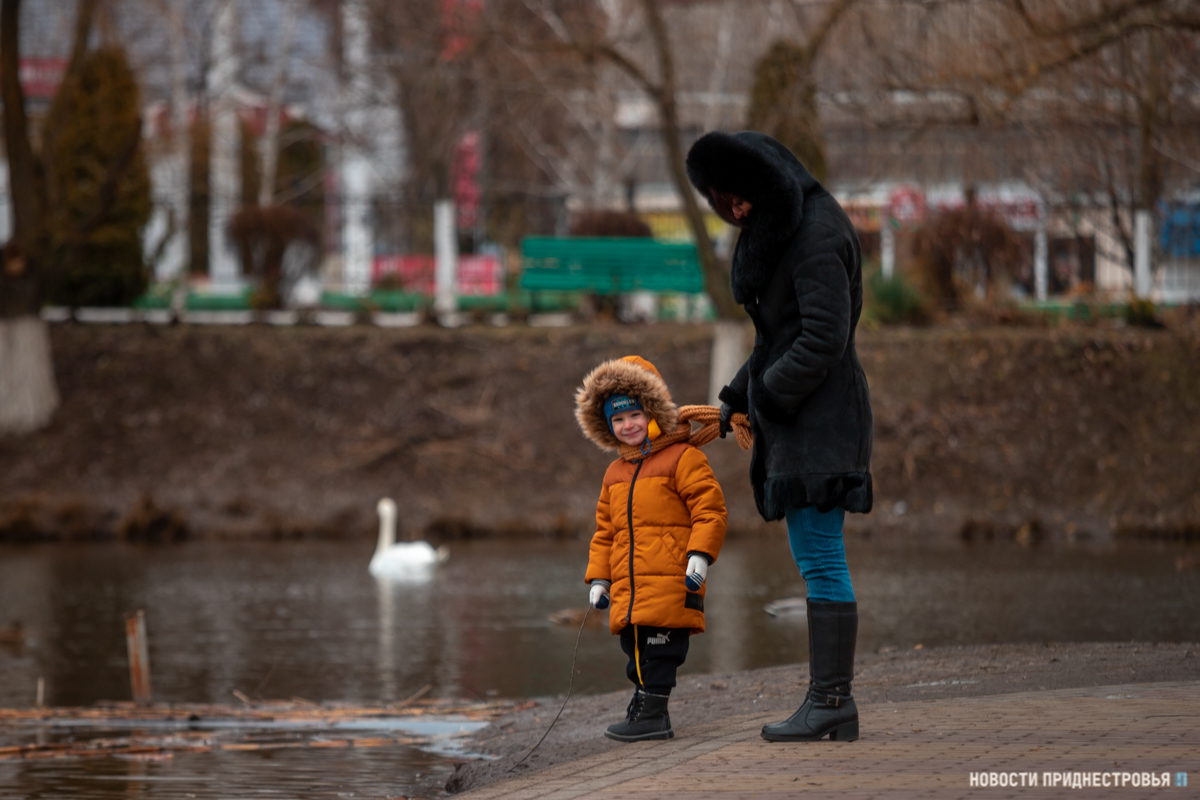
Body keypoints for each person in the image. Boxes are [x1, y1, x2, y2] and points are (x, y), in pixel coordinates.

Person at [685, 131, 873, 743]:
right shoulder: (790, 226)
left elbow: (823, 339)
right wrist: (733, 400)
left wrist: (762, 399)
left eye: (740, 196)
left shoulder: (816, 235)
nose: (736, 209)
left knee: (821, 558)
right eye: (724, 202)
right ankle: (830, 702)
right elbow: (780, 338)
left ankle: (831, 702)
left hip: (822, 423)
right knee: (816, 557)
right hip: (807, 418)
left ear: (765, 185)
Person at [575, 355, 727, 742]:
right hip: (630, 588)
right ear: (606, 425)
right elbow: (605, 533)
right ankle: (646, 707)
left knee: (661, 650)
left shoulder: (684, 458)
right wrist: (600, 579)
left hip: (673, 579)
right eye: (618, 419)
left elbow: (709, 511)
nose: (628, 425)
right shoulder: (615, 473)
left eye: (635, 415)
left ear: (653, 413)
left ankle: (653, 714)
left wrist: (700, 555)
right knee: (635, 648)